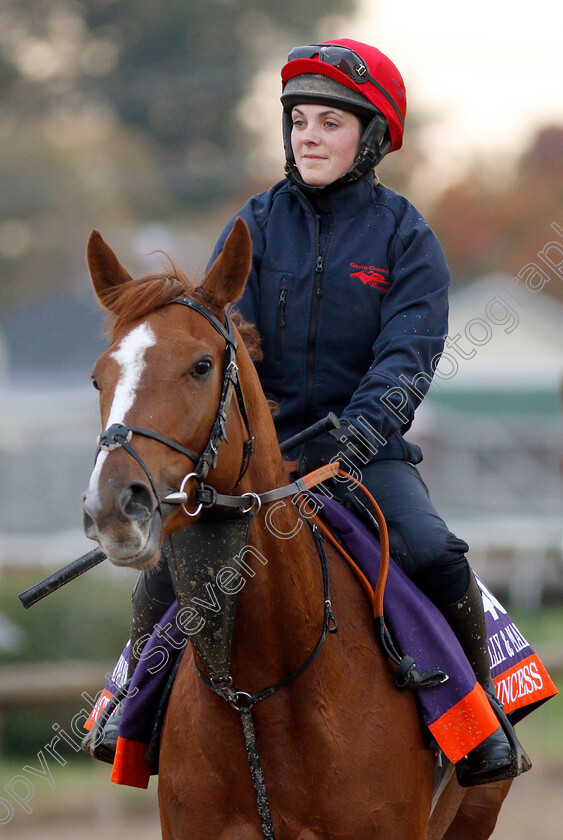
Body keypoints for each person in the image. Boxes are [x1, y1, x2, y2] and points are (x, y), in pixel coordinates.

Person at [86, 38, 529, 787]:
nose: (310, 137)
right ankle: (131, 713)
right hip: (262, 456)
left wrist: (358, 435)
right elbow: (229, 346)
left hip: (366, 455)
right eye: (299, 123)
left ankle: (478, 724)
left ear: (370, 137)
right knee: (164, 574)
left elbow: (408, 354)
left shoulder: (405, 237)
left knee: (433, 554)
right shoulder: (252, 225)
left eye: (330, 122)